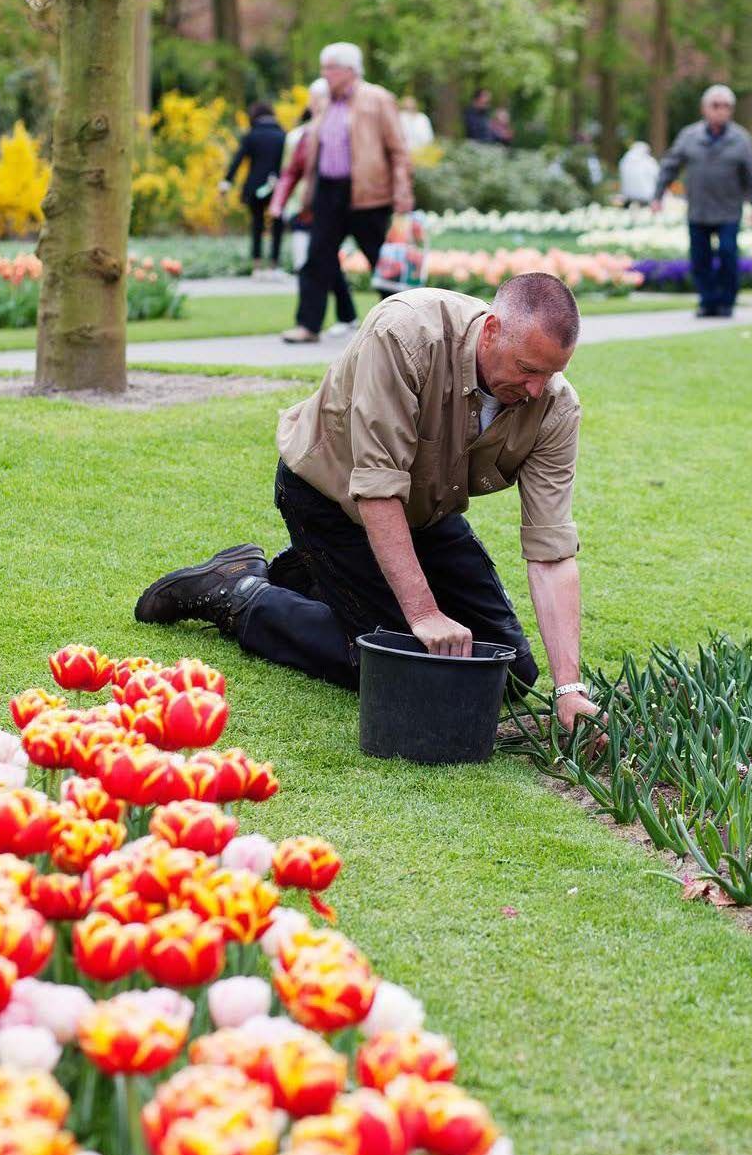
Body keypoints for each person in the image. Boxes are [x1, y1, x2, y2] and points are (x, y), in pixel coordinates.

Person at [134, 274, 603, 737]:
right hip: (331, 499)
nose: (538, 388)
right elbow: (377, 488)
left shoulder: (556, 408)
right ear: (493, 330)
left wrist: (569, 688)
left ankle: (311, 576)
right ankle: (239, 593)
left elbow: (551, 550)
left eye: (551, 373)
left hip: (425, 511)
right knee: (408, 666)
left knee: (507, 670)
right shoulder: (404, 334)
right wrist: (422, 615)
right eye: (528, 369)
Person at [281, 43, 412, 345]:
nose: (324, 74)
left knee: (383, 261)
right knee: (317, 258)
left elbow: (398, 150)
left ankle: (408, 325)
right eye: (323, 67)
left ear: (349, 70)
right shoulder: (326, 102)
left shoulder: (377, 99)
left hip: (368, 194)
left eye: (330, 68)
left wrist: (402, 190)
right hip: (328, 192)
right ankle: (308, 325)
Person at [651, 84, 752, 318]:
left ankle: (726, 302)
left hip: (729, 211)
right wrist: (658, 195)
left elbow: (751, 177)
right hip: (698, 210)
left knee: (728, 254)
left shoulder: (741, 139)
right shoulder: (689, 137)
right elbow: (670, 166)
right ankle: (707, 301)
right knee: (700, 259)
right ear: (704, 109)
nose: (721, 110)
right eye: (716, 105)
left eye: (726, 106)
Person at [269, 79, 359, 339]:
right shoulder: (305, 135)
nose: (317, 104)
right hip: (314, 207)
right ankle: (317, 323)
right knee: (315, 260)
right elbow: (292, 171)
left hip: (358, 202)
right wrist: (279, 202)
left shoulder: (353, 126)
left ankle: (400, 320)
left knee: (373, 257)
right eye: (315, 99)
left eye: (321, 99)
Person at [221, 102, 287, 276]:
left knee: (257, 225)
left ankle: (257, 267)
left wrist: (226, 182)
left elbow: (238, 160)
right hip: (277, 187)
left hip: (254, 187)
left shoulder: (252, 135)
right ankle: (275, 266)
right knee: (277, 226)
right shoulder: (282, 135)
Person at [618, 141, 659, 205]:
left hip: (628, 196)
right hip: (646, 197)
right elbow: (657, 176)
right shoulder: (649, 161)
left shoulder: (624, 161)